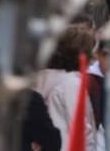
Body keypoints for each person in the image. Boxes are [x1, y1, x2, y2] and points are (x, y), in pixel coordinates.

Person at [35, 23, 105, 151]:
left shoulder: (40, 79)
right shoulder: (72, 84)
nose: (94, 57)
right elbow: (83, 132)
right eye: (91, 51)